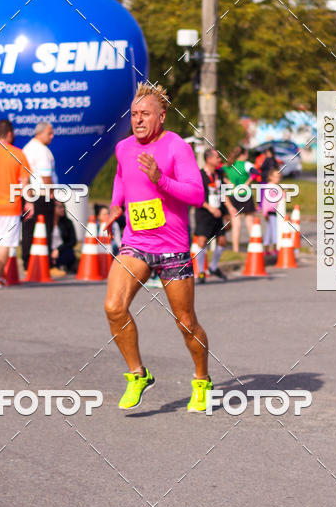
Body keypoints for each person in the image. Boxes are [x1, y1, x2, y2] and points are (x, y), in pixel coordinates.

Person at [103, 82, 213, 413]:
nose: (137, 120)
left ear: (161, 116)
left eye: (145, 114)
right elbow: (121, 178)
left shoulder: (176, 147)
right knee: (113, 306)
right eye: (134, 114)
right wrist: (116, 206)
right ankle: (137, 374)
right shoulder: (123, 148)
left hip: (172, 248)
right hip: (136, 243)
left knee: (185, 321)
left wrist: (160, 179)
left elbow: (197, 194)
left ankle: (201, 379)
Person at [0, 120, 34, 288]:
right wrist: (29, 202)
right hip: (10, 208)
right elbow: (25, 182)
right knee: (3, 244)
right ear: (9, 134)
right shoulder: (19, 154)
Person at [21, 122, 56, 270]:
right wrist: (52, 194)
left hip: (29, 195)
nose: (52, 136)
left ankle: (28, 262)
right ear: (40, 133)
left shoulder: (28, 148)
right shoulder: (41, 151)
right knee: (45, 230)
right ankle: (43, 264)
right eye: (49, 133)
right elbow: (46, 176)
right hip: (42, 195)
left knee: (29, 229)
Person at [193, 148, 228, 283]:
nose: (219, 160)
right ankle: (201, 271)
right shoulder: (199, 175)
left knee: (222, 241)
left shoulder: (219, 174)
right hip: (204, 212)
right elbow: (196, 196)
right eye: (217, 157)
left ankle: (213, 267)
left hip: (218, 212)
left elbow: (223, 192)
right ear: (209, 159)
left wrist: (228, 209)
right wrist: (210, 208)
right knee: (202, 242)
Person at [222, 145, 259, 253]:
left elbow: (219, 173)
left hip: (232, 195)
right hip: (245, 194)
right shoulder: (247, 164)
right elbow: (256, 173)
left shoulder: (227, 165)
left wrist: (227, 181)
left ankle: (235, 249)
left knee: (236, 224)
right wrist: (247, 182)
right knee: (250, 222)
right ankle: (255, 247)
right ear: (243, 154)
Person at [51, 200, 78, 274]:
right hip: (49, 251)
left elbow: (73, 241)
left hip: (62, 250)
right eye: (59, 207)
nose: (62, 209)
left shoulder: (68, 223)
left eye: (63, 207)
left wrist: (58, 249)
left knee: (69, 253)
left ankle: (62, 265)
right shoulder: (47, 223)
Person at [261, 166, 283, 254]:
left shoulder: (272, 186)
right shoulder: (271, 186)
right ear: (270, 177)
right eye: (276, 177)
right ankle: (274, 248)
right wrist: (265, 212)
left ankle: (266, 248)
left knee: (269, 230)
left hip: (271, 211)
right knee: (274, 229)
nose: (278, 179)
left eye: (279, 177)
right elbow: (266, 201)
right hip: (270, 211)